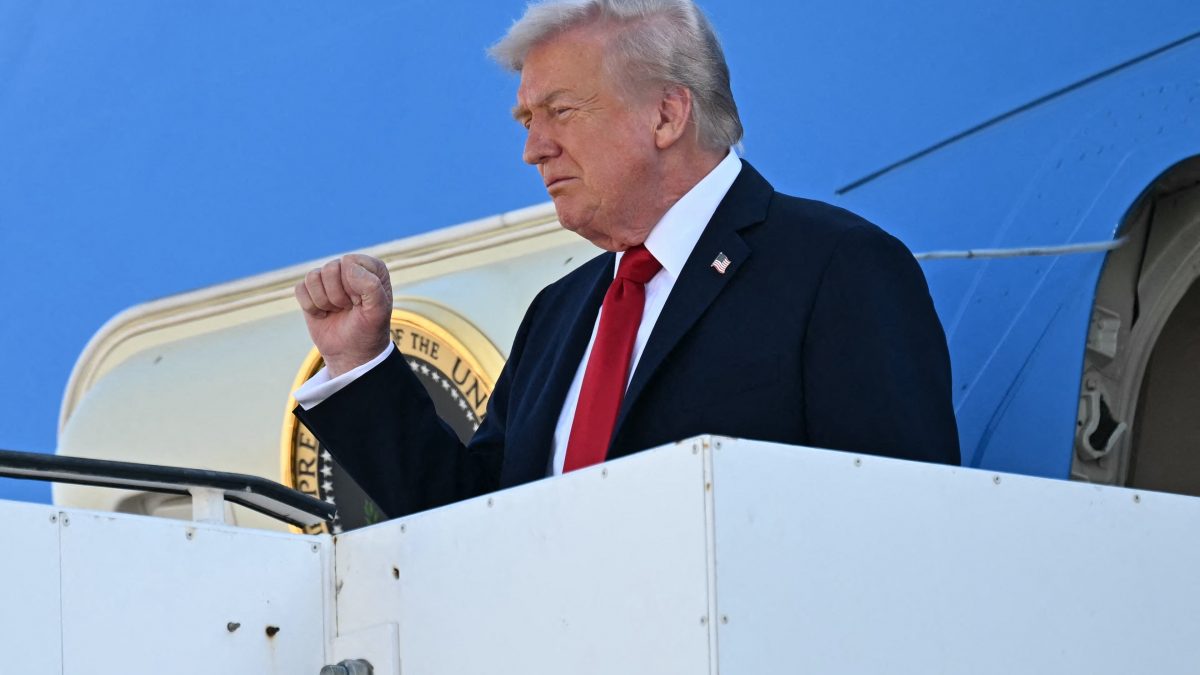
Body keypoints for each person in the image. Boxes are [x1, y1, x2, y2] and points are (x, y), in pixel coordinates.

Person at [292, 0, 959, 519]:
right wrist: (361, 365)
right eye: (527, 119)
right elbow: (473, 520)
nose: (534, 149)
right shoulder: (557, 314)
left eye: (560, 110)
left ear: (667, 115)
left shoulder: (838, 268)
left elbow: (899, 525)